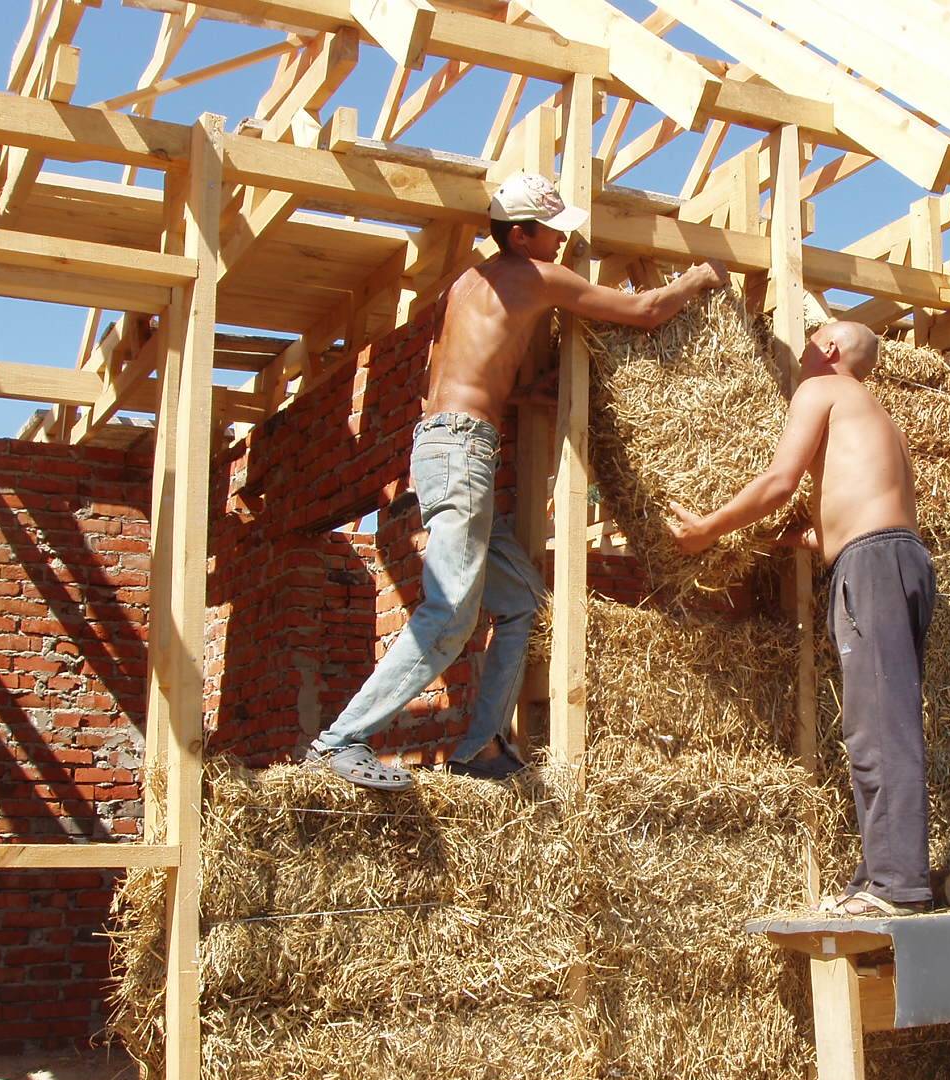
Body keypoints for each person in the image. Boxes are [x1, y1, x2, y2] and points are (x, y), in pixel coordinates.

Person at [307, 172, 729, 790]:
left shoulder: (469, 283)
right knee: (450, 614)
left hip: (447, 449)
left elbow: (471, 364)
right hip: (462, 452)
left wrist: (524, 392)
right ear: (521, 233)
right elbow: (645, 312)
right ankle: (341, 741)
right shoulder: (535, 276)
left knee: (521, 603)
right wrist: (700, 276)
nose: (560, 242)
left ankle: (481, 746)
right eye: (551, 231)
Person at [668, 321, 935, 916]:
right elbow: (853, 511)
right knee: (878, 716)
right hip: (898, 561)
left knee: (877, 724)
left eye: (812, 338)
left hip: (873, 565)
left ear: (832, 350)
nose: (804, 350)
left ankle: (896, 885)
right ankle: (882, 877)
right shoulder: (876, 418)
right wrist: (807, 539)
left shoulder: (821, 390)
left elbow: (779, 480)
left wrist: (705, 531)